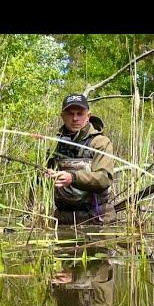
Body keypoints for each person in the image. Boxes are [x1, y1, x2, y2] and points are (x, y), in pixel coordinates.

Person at [47, 94, 116, 225]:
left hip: (96, 219)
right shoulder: (54, 144)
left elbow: (104, 179)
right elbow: (41, 181)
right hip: (62, 220)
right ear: (62, 116)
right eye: (70, 113)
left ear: (88, 116)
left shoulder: (100, 142)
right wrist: (46, 176)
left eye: (80, 113)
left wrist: (72, 178)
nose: (75, 118)